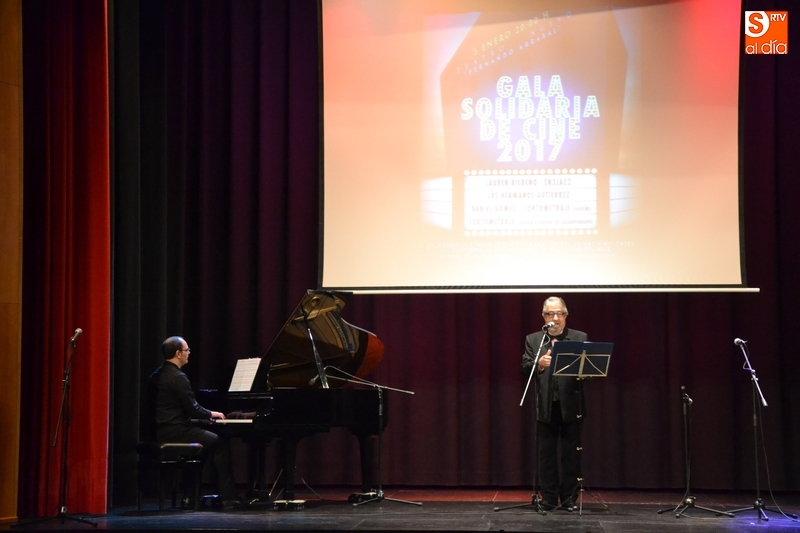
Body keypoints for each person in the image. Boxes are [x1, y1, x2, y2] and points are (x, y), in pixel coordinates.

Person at [147, 336, 241, 507]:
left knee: (204, 442)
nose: (189, 353)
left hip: (161, 429)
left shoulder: (156, 375)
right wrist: (213, 414)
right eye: (187, 350)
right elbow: (193, 409)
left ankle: (190, 495)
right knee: (219, 442)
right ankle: (229, 497)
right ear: (178, 353)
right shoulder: (178, 377)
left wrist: (205, 420)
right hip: (175, 431)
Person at [521, 296, 588, 511]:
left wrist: (585, 373)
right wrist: (539, 363)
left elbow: (590, 370)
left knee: (571, 455)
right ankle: (549, 498)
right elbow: (525, 367)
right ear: (544, 317)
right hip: (546, 406)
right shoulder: (534, 340)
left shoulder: (579, 337)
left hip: (572, 406)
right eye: (551, 314)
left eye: (559, 313)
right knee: (546, 455)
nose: (555, 318)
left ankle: (569, 498)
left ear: (566, 316)